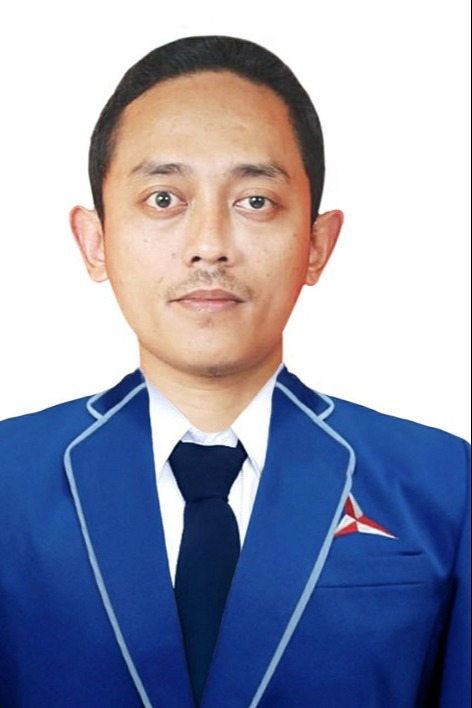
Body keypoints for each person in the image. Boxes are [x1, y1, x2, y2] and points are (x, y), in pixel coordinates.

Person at [0, 35, 469, 708]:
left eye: (255, 201)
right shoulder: (8, 480)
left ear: (317, 244)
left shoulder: (444, 485)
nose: (210, 245)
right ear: (95, 241)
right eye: (164, 198)